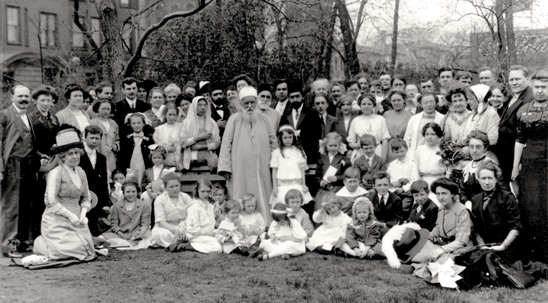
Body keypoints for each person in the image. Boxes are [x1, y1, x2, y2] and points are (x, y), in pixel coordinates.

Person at [32, 125, 95, 261]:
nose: (74, 157)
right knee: (75, 249)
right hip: (56, 220)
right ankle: (42, 243)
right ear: (62, 156)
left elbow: (86, 197)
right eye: (70, 154)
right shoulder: (56, 172)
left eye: (76, 153)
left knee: (87, 248)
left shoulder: (81, 172)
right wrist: (70, 216)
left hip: (77, 221)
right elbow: (50, 201)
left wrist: (83, 215)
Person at [218, 86, 278, 224]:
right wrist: (225, 167)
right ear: (241, 104)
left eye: (252, 103)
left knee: (264, 196)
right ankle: (239, 226)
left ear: (256, 102)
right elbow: (226, 143)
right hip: (240, 168)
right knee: (240, 195)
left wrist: (276, 165)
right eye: (246, 103)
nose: (250, 106)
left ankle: (264, 225)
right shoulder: (234, 119)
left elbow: (273, 143)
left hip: (262, 167)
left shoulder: (264, 120)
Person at [512, 68, 548, 262]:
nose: (540, 90)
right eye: (537, 87)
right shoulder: (523, 110)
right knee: (532, 208)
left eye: (544, 87)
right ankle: (535, 256)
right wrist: (515, 166)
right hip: (530, 164)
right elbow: (519, 139)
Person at [0, 85, 36, 257]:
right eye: (20, 96)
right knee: (11, 207)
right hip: (11, 165)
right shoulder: (4, 115)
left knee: (25, 206)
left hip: (28, 166)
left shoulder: (28, 116)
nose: (23, 99)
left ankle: (21, 242)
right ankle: (8, 246)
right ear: (12, 96)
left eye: (26, 96)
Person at [471, 161, 522, 262]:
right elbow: (476, 229)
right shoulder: (476, 199)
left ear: (496, 179)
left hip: (506, 247)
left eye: (490, 178)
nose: (487, 182)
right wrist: (483, 247)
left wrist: (503, 246)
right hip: (484, 247)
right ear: (478, 180)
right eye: (483, 178)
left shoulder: (507, 197)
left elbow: (516, 227)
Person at [28, 85, 60, 239]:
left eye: (49, 100)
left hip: (54, 160)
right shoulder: (30, 119)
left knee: (52, 194)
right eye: (42, 100)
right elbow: (29, 144)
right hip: (37, 161)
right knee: (38, 197)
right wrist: (41, 156)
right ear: (35, 101)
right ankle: (36, 233)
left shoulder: (54, 119)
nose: (46, 103)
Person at [496, 65, 534, 183]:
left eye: (518, 79)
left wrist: (519, 163)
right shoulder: (514, 97)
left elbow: (528, 135)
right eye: (511, 80)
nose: (514, 82)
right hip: (507, 155)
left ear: (527, 80)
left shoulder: (530, 99)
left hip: (519, 158)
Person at [428, 178, 473, 260]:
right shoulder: (441, 209)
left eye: (444, 193)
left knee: (443, 260)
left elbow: (461, 241)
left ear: (452, 194)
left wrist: (442, 249)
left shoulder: (462, 211)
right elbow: (438, 229)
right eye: (438, 194)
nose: (440, 197)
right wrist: (426, 238)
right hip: (445, 244)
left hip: (460, 249)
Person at [79, 125, 110, 236]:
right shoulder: (78, 155)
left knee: (94, 231)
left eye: (97, 138)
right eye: (91, 137)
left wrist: (105, 203)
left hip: (95, 199)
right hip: (80, 197)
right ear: (85, 137)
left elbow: (104, 182)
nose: (94, 141)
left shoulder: (102, 158)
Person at [270, 125, 312, 205]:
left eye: (290, 137)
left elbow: (302, 169)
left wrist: (304, 184)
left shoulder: (298, 151)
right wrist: (275, 187)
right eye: (285, 138)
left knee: (296, 204)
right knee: (283, 205)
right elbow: (274, 170)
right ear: (281, 138)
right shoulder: (276, 152)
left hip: (296, 184)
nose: (288, 140)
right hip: (282, 185)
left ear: (293, 137)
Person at [103, 181, 152, 250]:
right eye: (128, 192)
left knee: (148, 238)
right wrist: (122, 235)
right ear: (124, 192)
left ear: (137, 192)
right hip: (121, 233)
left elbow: (145, 223)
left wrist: (141, 232)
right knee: (103, 238)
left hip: (136, 233)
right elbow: (114, 224)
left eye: (133, 192)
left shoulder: (144, 205)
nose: (131, 194)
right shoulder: (117, 206)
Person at [150, 173, 192, 248]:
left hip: (183, 225)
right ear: (165, 187)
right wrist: (175, 230)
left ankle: (180, 241)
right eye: (171, 187)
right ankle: (175, 244)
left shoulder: (185, 197)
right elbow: (161, 222)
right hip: (166, 227)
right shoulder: (160, 199)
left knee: (193, 231)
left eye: (177, 186)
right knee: (160, 234)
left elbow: (192, 215)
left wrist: (183, 228)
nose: (175, 189)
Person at [180, 96, 221, 170]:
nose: (203, 107)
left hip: (208, 163)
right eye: (200, 105)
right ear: (194, 106)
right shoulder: (186, 123)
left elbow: (217, 143)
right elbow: (182, 143)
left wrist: (201, 147)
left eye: (205, 105)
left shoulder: (212, 122)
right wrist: (200, 137)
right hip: (190, 162)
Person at [181, 179, 222, 253]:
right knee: (218, 248)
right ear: (197, 191)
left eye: (208, 191)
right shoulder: (194, 207)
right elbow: (192, 230)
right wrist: (211, 233)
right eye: (203, 191)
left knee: (224, 240)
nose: (206, 194)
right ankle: (189, 246)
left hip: (208, 235)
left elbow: (211, 225)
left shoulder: (209, 206)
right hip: (196, 237)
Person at [460, 130, 499, 205]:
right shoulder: (467, 168)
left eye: (478, 147)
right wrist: (466, 202)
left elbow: (500, 192)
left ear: (485, 148)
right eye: (471, 147)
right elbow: (462, 191)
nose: (474, 150)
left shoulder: (490, 165)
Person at [347, 94, 391, 161]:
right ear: (360, 105)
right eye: (364, 104)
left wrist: (383, 159)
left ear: (373, 105)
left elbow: (385, 140)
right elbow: (351, 142)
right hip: (361, 153)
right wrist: (357, 145)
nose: (366, 106)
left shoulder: (380, 119)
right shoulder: (356, 120)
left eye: (369, 104)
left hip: (377, 152)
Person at [404, 93, 445, 158]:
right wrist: (409, 154)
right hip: (416, 155)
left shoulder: (443, 118)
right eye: (425, 103)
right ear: (421, 104)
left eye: (431, 102)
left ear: (436, 103)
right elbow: (407, 138)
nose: (429, 105)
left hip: (436, 156)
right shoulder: (414, 118)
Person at [118, 113, 155, 187]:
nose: (136, 125)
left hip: (143, 164)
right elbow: (122, 155)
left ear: (144, 124)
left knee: (143, 181)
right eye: (133, 123)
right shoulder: (126, 139)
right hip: (131, 164)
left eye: (139, 123)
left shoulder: (149, 139)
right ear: (130, 124)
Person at [315, 132, 351, 206]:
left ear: (339, 145)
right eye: (330, 145)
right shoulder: (322, 160)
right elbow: (317, 176)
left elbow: (349, 176)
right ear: (326, 146)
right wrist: (320, 182)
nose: (333, 148)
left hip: (339, 189)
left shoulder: (344, 159)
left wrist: (337, 178)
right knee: (320, 206)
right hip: (325, 189)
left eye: (335, 145)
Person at [300, 92, 337, 164]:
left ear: (327, 104)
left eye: (323, 103)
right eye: (317, 103)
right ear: (313, 106)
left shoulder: (334, 120)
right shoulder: (308, 121)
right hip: (314, 157)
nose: (320, 106)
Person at [465, 84, 500, 156]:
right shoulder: (474, 113)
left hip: (485, 156)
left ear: (479, 99)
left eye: (470, 99)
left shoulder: (491, 114)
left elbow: (492, 140)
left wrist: (471, 147)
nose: (468, 102)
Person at [89, 99, 119, 173]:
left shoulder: (113, 123)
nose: (106, 111)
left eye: (108, 109)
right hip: (97, 154)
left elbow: (117, 139)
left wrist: (115, 146)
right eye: (103, 109)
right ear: (97, 109)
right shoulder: (92, 122)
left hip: (111, 156)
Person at [153, 103, 183, 169]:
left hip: (178, 164)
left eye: (174, 115)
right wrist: (165, 149)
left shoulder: (181, 127)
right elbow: (156, 149)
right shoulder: (158, 130)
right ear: (165, 115)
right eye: (169, 114)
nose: (172, 117)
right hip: (163, 164)